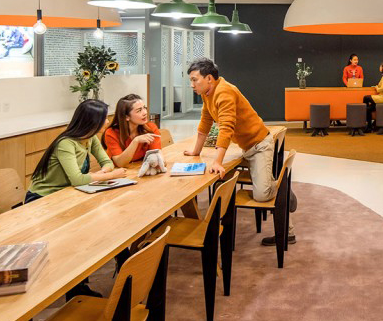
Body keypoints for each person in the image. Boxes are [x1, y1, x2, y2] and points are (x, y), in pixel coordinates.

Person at [184, 57, 296, 245]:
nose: (192, 85)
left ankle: (283, 191)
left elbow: (226, 127)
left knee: (262, 195)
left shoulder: (224, 91)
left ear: (209, 78)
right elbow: (205, 122)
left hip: (260, 145)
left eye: (195, 80)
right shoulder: (207, 93)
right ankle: (278, 192)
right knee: (230, 179)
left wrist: (217, 161)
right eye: (191, 80)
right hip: (247, 147)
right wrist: (196, 151)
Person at [26, 99, 127, 201]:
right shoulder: (66, 143)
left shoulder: (91, 137)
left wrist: (101, 173)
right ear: (92, 121)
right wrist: (112, 175)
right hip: (42, 197)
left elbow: (107, 162)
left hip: (68, 191)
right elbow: (77, 180)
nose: (108, 121)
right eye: (104, 118)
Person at [103, 94, 162, 167]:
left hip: (139, 168)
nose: (145, 112)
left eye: (144, 108)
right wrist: (135, 141)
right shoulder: (111, 133)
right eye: (139, 110)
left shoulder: (151, 128)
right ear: (127, 117)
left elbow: (158, 157)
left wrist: (160, 160)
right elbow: (120, 163)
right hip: (120, 171)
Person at [363, 62, 383, 132]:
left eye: (380, 66)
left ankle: (368, 123)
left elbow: (381, 89)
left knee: (366, 98)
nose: (379, 68)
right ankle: (370, 125)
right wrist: (377, 87)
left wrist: (376, 87)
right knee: (368, 109)